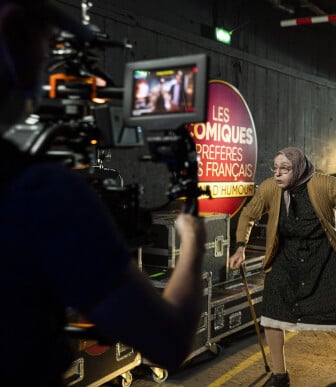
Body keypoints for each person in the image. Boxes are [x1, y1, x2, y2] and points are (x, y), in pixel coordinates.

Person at [0, 1, 207, 385]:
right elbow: (168, 341)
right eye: (46, 49)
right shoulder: (41, 193)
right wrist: (193, 243)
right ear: (14, 36)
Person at [230, 147, 336, 386]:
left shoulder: (323, 184)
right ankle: (280, 374)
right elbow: (249, 214)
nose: (277, 174)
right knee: (272, 313)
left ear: (298, 168)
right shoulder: (271, 187)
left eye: (284, 169)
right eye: (275, 169)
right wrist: (240, 246)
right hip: (285, 256)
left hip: (323, 256)